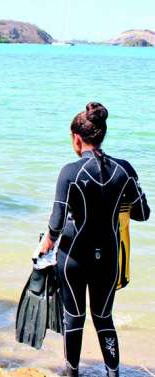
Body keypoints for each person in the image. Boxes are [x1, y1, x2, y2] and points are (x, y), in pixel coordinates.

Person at [39, 103, 150, 377]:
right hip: (108, 259)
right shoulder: (124, 170)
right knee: (103, 318)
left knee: (74, 318)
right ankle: (113, 374)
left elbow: (55, 223)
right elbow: (143, 213)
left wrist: (45, 245)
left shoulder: (69, 172)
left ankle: (72, 372)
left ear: (76, 138)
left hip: (73, 258)